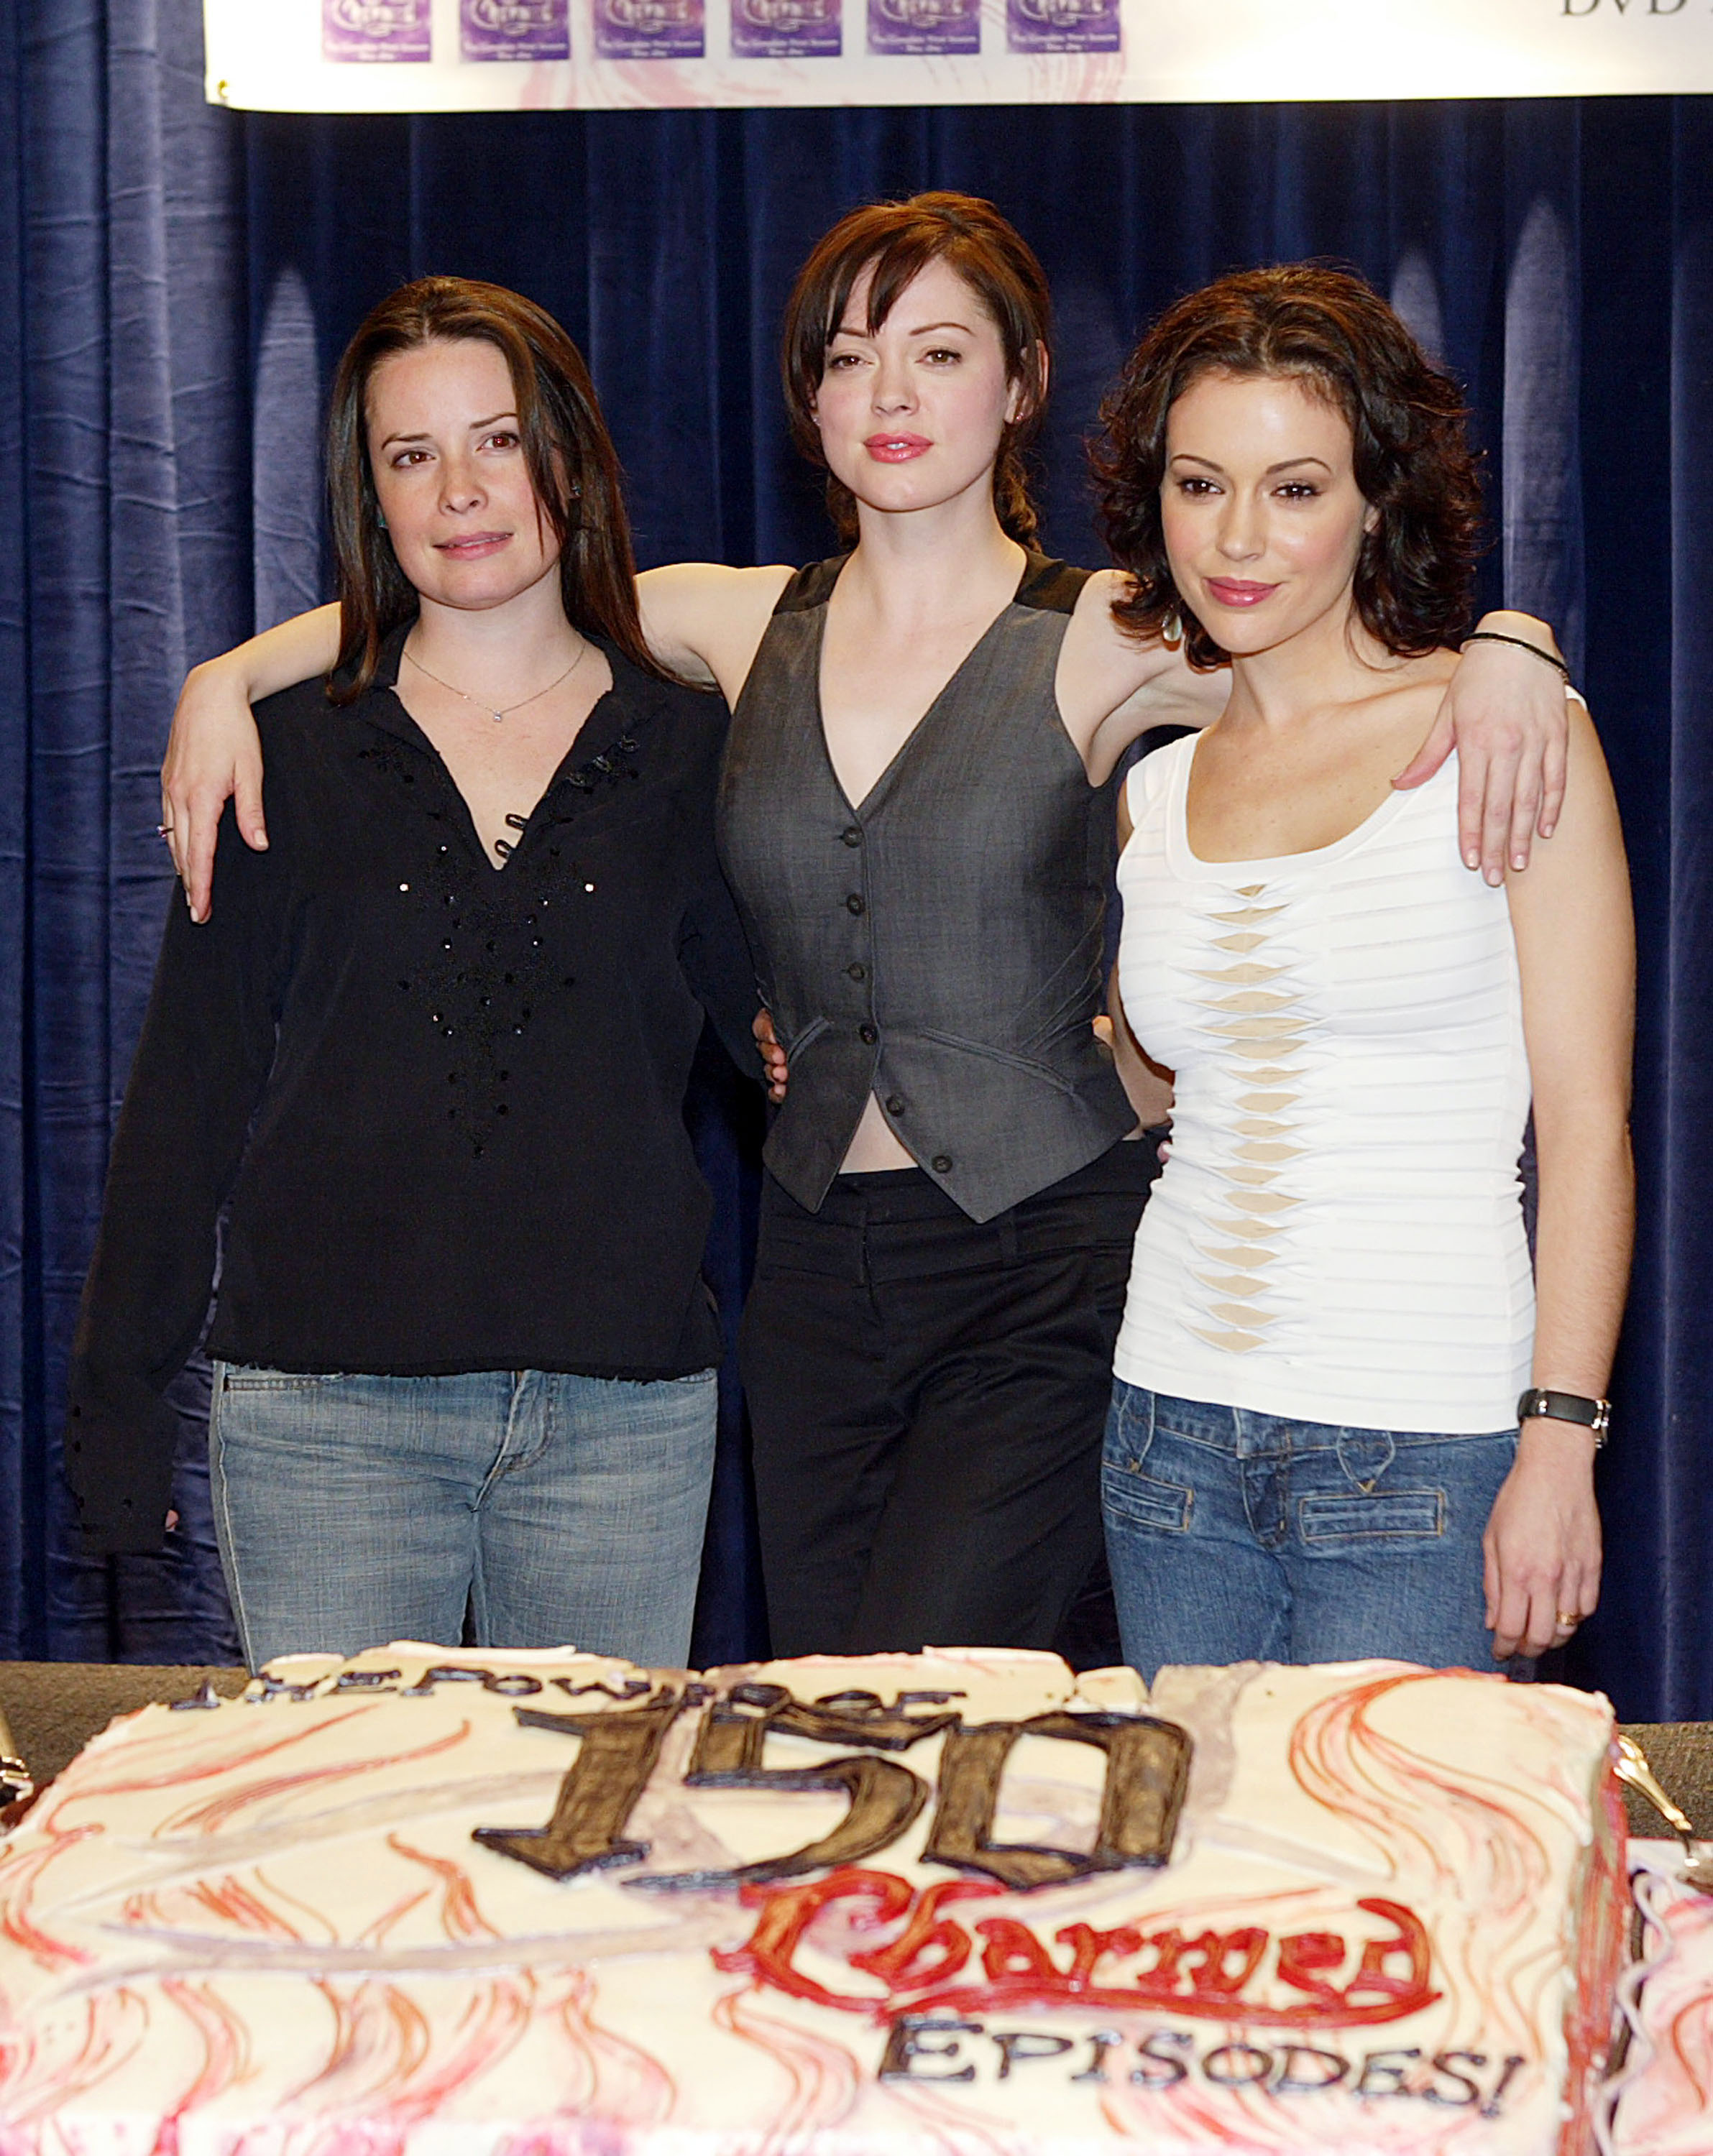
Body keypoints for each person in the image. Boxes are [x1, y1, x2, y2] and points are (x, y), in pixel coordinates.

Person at [155, 197, 1574, 1660]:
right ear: (810, 400)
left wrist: (1510, 647)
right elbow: (471, 589)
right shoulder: (733, 619)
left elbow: (1361, 671)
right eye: (847, 358)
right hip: (816, 1283)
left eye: (939, 351)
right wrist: (226, 676)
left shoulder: (1112, 634)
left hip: (1045, 1274)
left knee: (923, 1678)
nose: (889, 396)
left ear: (1021, 383)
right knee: (835, 1733)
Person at [65, 277, 758, 1671]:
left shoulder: (695, 745)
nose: (460, 489)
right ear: (365, 492)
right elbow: (186, 1097)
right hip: (327, 1425)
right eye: (410, 454)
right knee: (342, 1860)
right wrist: (118, 1413)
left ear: (568, 453)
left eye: (497, 440)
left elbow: (776, 1037)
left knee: (591, 1866)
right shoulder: (282, 747)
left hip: (619, 1421)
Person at [1093, 264, 1633, 1676]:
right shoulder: (1155, 792)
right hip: (1165, 1433)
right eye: (1201, 483)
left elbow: (1585, 1125)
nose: (1238, 538)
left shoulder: (1505, 733)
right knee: (1202, 1890)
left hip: (1423, 1446)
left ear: (1373, 502)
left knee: (1410, 1884)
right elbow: (1167, 1093)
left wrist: (1559, 1440)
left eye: (1295, 488)